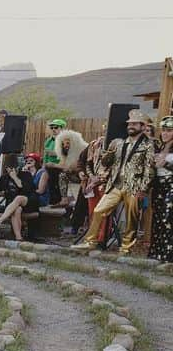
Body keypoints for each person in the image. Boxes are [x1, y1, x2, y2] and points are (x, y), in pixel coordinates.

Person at [72, 112, 155, 255]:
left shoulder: (148, 145)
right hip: (115, 184)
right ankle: (90, 241)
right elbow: (106, 163)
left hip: (134, 186)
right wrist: (107, 154)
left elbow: (149, 169)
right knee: (99, 210)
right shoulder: (118, 142)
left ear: (142, 126)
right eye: (129, 124)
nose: (131, 126)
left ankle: (126, 248)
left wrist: (144, 188)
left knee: (131, 218)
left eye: (135, 124)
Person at [0, 158, 41, 240]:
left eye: (15, 168)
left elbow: (25, 189)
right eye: (9, 168)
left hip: (28, 202)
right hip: (13, 206)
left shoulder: (26, 175)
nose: (12, 170)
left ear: (18, 167)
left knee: (18, 198)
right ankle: (19, 238)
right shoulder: (4, 177)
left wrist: (15, 178)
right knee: (17, 210)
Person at [148, 115, 173, 262]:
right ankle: (158, 253)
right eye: (163, 130)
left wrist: (165, 164)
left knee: (168, 217)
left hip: (171, 185)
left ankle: (169, 255)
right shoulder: (158, 147)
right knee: (158, 218)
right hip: (159, 187)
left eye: (169, 130)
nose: (165, 133)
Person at [42, 118, 67, 204]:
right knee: (49, 183)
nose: (53, 129)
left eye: (56, 127)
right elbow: (45, 154)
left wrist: (53, 153)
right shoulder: (48, 140)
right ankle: (51, 200)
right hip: (49, 166)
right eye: (52, 127)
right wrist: (44, 165)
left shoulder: (65, 140)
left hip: (59, 166)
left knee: (56, 183)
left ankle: (58, 201)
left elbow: (65, 153)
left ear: (62, 128)